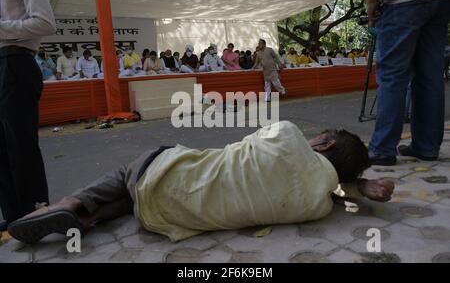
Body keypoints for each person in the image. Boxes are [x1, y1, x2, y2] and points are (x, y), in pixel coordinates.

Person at [7, 121, 395, 244]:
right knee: (148, 196)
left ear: (323, 142)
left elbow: (255, 144)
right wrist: (358, 188)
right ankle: (91, 219)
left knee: (135, 171)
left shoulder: (289, 134)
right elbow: (329, 187)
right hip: (166, 220)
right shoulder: (318, 205)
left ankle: (71, 204)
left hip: (163, 176)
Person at [367, 0, 450, 166]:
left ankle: (383, 149)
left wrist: (371, 0)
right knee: (431, 76)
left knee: (392, 77)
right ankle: (427, 147)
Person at [0, 0, 56, 232]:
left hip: (16, 62)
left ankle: (37, 213)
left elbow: (46, 22)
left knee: (20, 144)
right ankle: (14, 217)